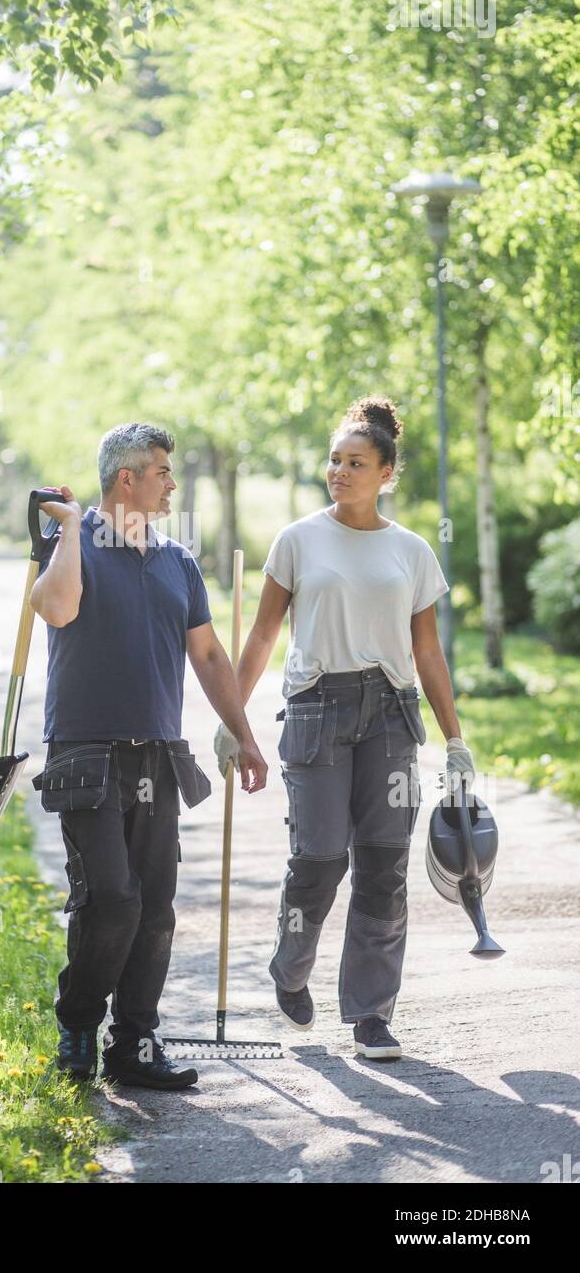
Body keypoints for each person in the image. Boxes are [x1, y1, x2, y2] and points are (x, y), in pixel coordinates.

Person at [214, 395, 475, 1061]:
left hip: (391, 713)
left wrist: (454, 740)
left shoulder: (412, 552)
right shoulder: (298, 540)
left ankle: (370, 1014)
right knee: (318, 861)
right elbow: (265, 632)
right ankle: (291, 965)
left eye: (355, 462)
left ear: (387, 472)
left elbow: (427, 652)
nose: (340, 471)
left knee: (383, 868)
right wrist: (231, 719)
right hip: (316, 711)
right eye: (334, 460)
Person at [30, 422, 268, 1090]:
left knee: (155, 906)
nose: (172, 482)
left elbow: (210, 655)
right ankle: (78, 1021)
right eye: (162, 470)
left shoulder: (178, 561)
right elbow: (54, 608)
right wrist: (73, 531)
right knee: (111, 898)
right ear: (126, 479)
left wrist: (244, 734)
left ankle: (133, 1044)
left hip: (158, 755)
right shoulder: (71, 545)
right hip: (86, 753)